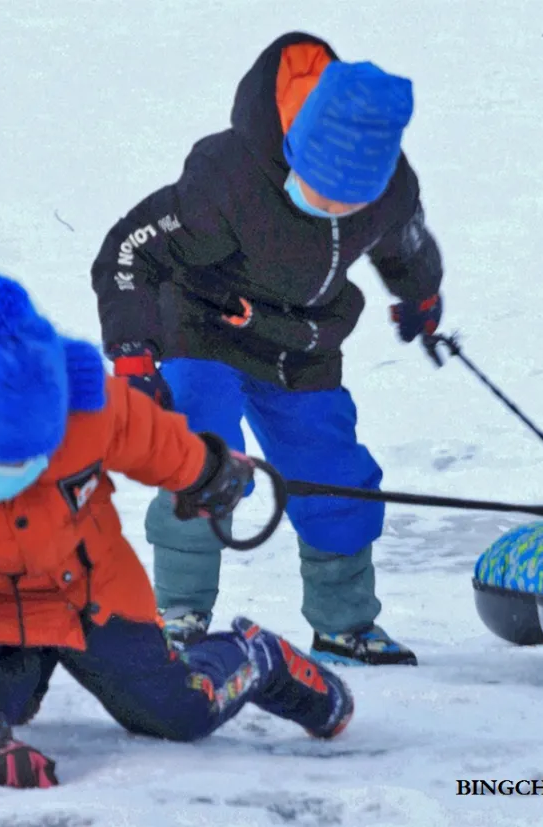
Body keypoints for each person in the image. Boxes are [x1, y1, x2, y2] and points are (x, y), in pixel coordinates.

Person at [0, 273, 354, 790]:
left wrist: (204, 470)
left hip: (87, 587)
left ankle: (256, 657)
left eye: (33, 460)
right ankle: (20, 673)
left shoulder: (75, 396)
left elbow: (142, 433)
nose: (18, 478)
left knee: (179, 714)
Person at [89, 31, 444, 666]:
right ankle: (178, 612)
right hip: (205, 325)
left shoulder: (390, 187)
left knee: (335, 469)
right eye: (322, 188)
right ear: (295, 148)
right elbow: (128, 250)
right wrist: (135, 356)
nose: (334, 206)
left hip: (301, 340)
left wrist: (420, 297)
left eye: (350, 200)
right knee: (201, 453)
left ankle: (344, 622)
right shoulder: (227, 180)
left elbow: (404, 243)